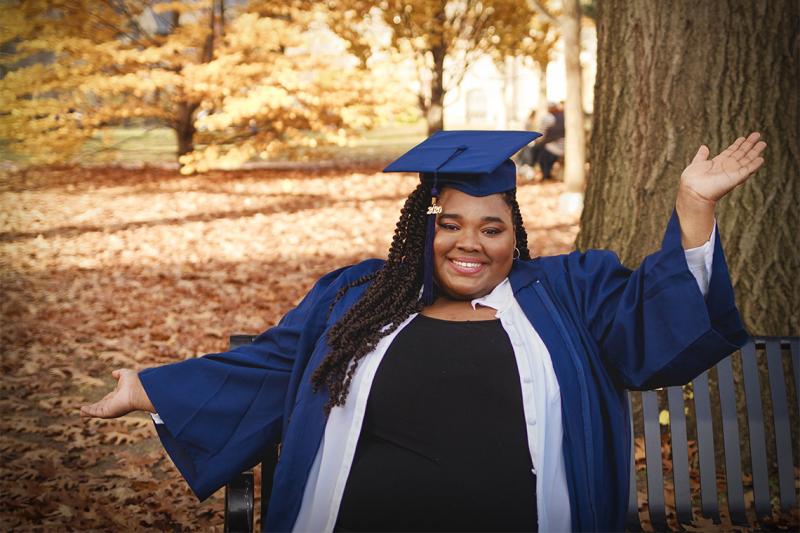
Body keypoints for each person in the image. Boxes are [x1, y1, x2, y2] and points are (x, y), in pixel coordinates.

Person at [81, 130, 766, 532]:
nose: (471, 244)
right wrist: (146, 386)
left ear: (515, 235)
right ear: (423, 229)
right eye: (452, 225)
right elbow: (272, 364)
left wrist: (693, 208)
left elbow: (653, 329)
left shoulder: (566, 294)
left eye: (492, 227)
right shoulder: (359, 296)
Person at [522, 102, 565, 180]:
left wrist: (540, 141)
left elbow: (545, 134)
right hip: (554, 143)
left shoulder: (551, 118)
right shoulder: (559, 116)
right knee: (536, 151)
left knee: (540, 154)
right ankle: (536, 170)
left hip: (557, 145)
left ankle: (543, 173)